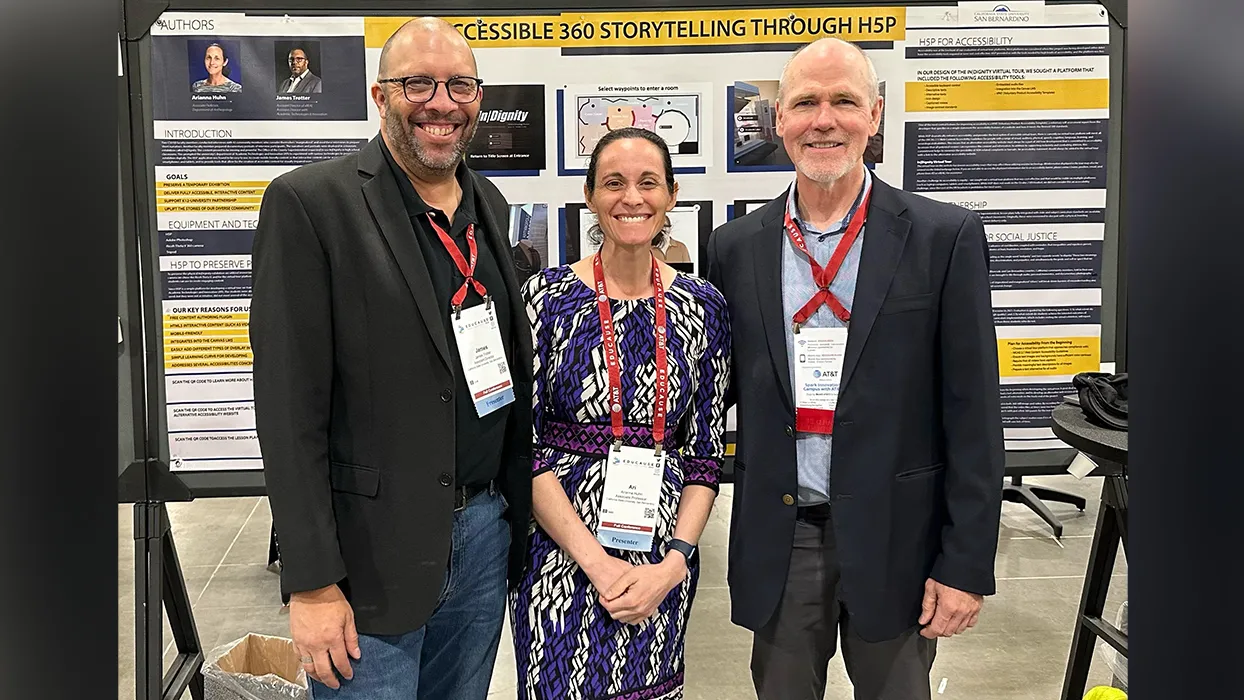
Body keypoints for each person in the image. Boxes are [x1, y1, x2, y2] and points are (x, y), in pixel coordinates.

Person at [705, 38, 1005, 700]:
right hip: (781, 543)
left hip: (900, 541)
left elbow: (974, 412)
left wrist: (965, 564)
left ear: (874, 115)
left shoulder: (941, 238)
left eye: (844, 101)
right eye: (806, 102)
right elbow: (714, 394)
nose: (824, 120)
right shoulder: (735, 247)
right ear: (779, 119)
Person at [250, 17, 532, 699]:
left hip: (483, 535)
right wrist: (313, 582)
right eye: (419, 84)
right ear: (381, 96)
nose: (442, 102)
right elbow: (289, 412)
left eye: (459, 85)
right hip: (369, 558)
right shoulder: (311, 204)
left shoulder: (487, 202)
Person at [509, 127, 731, 699]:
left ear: (672, 196)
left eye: (647, 182)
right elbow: (522, 448)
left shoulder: (703, 306)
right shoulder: (545, 299)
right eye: (614, 183)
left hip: (662, 556)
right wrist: (598, 565)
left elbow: (705, 453)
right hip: (560, 555)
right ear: (590, 197)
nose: (632, 198)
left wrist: (675, 562)